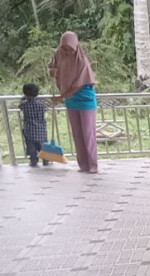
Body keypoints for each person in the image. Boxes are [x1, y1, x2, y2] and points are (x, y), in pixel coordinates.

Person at [48, 31, 98, 173]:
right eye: (64, 47)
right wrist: (52, 71)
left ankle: (93, 165)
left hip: (84, 98)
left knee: (88, 134)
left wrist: (61, 97)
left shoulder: (81, 61)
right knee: (77, 134)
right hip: (70, 100)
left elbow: (77, 85)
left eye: (70, 48)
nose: (67, 51)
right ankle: (83, 165)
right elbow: (52, 67)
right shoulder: (59, 54)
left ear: (76, 46)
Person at [19, 84, 48, 167]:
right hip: (41, 130)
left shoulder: (24, 104)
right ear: (37, 93)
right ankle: (45, 160)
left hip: (29, 130)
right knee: (43, 145)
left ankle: (33, 160)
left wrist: (22, 99)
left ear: (24, 93)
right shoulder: (41, 104)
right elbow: (46, 108)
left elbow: (19, 106)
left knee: (31, 147)